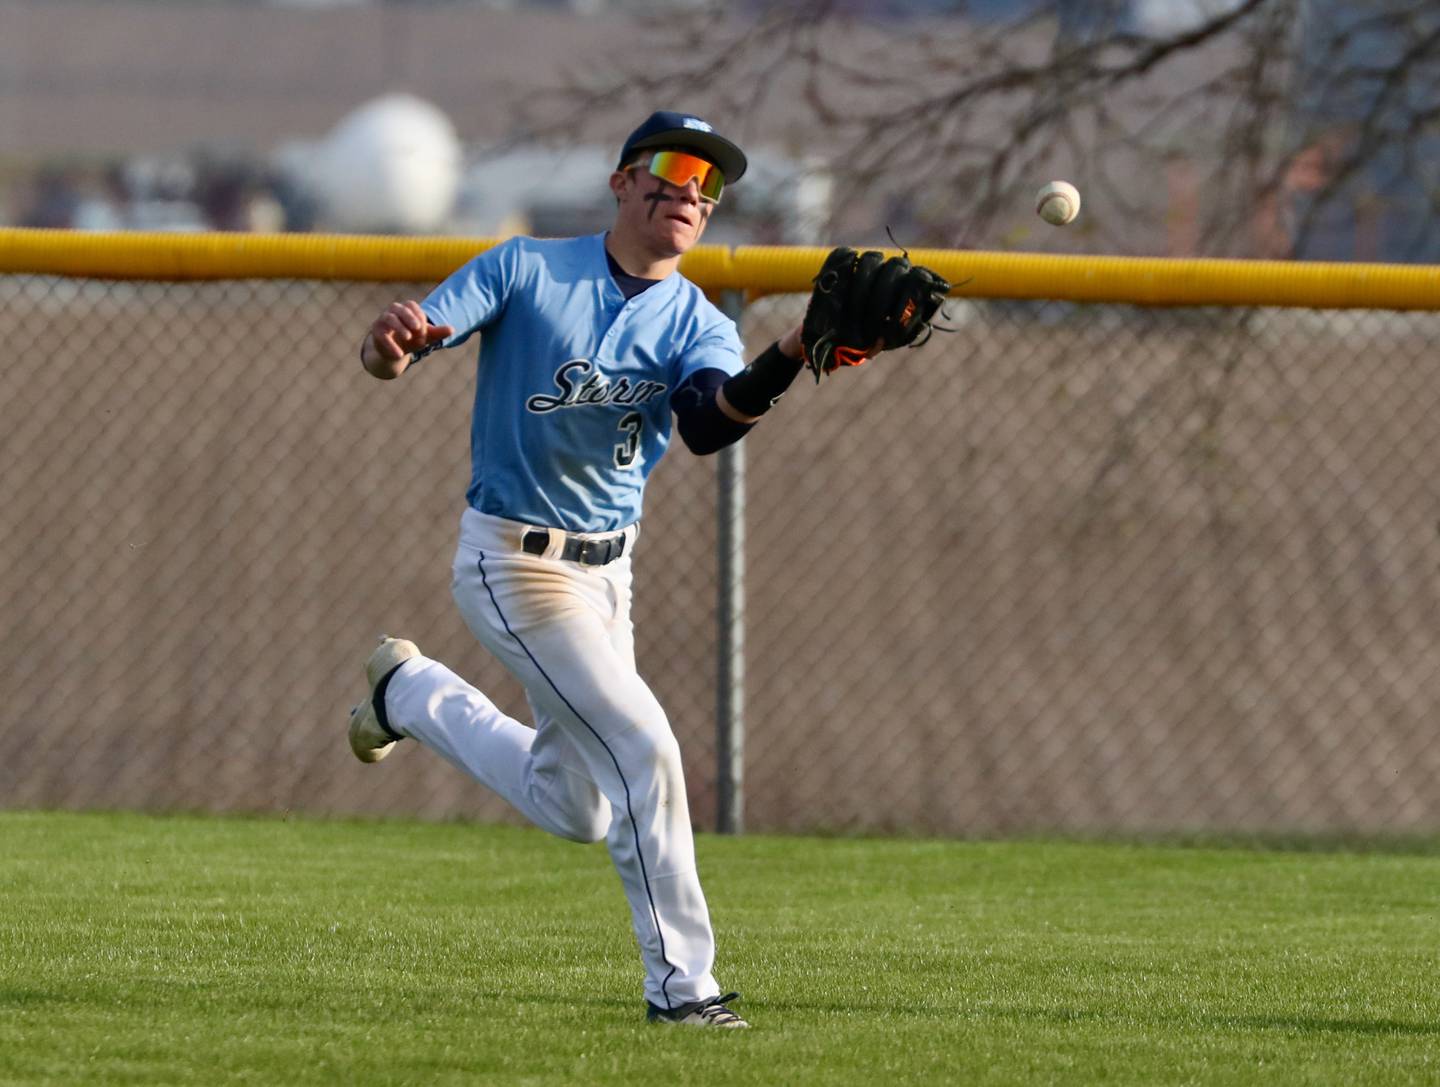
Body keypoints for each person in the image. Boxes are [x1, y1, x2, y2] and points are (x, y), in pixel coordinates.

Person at [347, 111, 817, 1029]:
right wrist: (389, 346)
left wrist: (793, 353)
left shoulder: (695, 319)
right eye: (675, 168)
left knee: (580, 808)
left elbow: (710, 421)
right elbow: (402, 346)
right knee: (645, 747)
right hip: (510, 562)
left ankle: (406, 693)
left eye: (710, 184)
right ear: (621, 181)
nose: (691, 190)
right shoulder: (526, 266)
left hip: (608, 577)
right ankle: (684, 989)